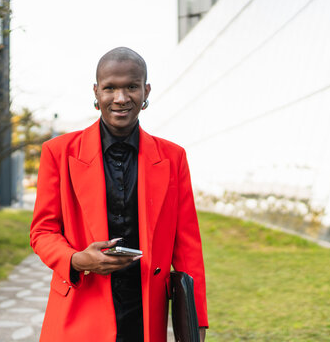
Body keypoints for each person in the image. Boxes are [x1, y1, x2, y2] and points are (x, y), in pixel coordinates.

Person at [30, 47, 208, 342]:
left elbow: (188, 246)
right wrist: (76, 260)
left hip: (145, 315)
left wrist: (196, 320)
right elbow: (43, 231)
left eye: (131, 87)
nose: (121, 98)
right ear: (96, 92)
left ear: (146, 90)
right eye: (110, 88)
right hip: (79, 308)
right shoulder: (58, 153)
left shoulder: (173, 157)